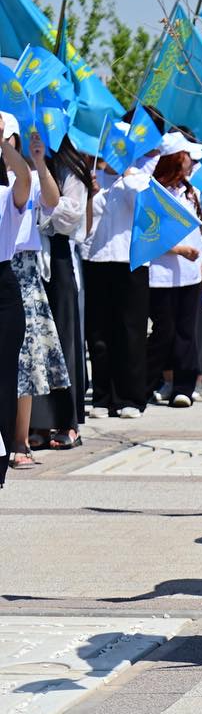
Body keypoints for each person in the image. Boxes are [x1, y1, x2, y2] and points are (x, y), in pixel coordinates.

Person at [83, 108, 162, 419]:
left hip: (131, 262)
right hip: (98, 258)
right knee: (99, 333)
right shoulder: (96, 176)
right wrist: (95, 186)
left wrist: (126, 171)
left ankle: (130, 397)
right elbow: (90, 219)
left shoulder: (141, 175)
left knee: (130, 330)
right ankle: (102, 396)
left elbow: (142, 206)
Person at [31, 135, 94, 450]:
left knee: (64, 340)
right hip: (27, 258)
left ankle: (67, 422)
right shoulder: (19, 160)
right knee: (35, 345)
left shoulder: (71, 166)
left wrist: (40, 209)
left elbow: (69, 216)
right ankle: (36, 422)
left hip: (58, 259)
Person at [10, 128, 67, 468]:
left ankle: (20, 440)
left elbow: (52, 200)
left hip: (24, 272)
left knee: (27, 361)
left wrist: (39, 162)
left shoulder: (27, 176)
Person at [146, 132, 202, 409]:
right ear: (175, 158)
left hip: (190, 275)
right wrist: (180, 251)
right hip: (161, 274)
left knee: (186, 332)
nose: (191, 162)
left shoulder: (191, 190)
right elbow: (149, 234)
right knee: (164, 332)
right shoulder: (153, 191)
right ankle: (149, 382)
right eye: (186, 156)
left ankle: (184, 386)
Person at [0, 114, 34, 486]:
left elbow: (24, 178)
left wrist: (1, 144)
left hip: (2, 288)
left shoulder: (8, 191)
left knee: (3, 378)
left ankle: (3, 449)